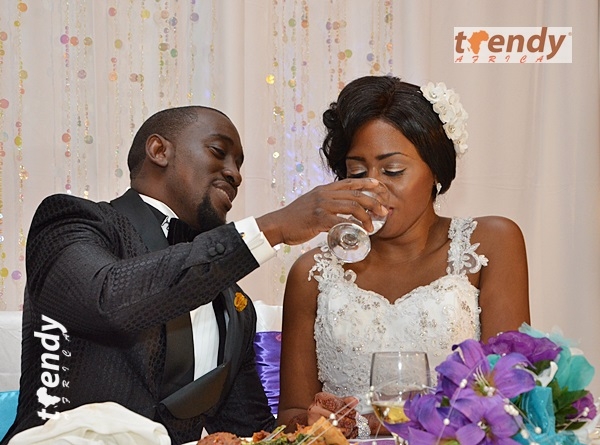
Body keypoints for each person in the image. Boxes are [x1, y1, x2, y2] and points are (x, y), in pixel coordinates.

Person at [1, 105, 389, 445]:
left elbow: (249, 431)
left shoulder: (233, 305)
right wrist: (272, 228)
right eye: (219, 152)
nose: (235, 174)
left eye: (239, 164)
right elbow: (106, 301)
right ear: (159, 150)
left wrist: (311, 428)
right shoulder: (73, 221)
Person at [277, 76, 530, 438]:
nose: (372, 187)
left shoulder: (490, 244)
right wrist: (314, 420)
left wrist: (369, 423)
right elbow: (289, 417)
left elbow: (509, 396)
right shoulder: (313, 273)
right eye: (356, 172)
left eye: (393, 170)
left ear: (435, 170)